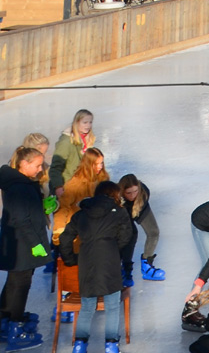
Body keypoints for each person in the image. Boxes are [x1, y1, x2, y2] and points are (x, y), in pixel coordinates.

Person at [58, 180, 133, 353]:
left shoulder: (81, 214)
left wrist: (70, 259)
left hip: (87, 260)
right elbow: (126, 236)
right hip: (109, 260)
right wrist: (115, 250)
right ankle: (111, 345)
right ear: (114, 195)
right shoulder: (119, 213)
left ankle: (79, 345)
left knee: (87, 306)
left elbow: (65, 238)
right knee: (113, 306)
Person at [0, 147, 50, 350]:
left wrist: (44, 206)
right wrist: (36, 244)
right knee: (21, 287)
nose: (40, 169)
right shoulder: (19, 187)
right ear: (24, 164)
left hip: (18, 246)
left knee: (13, 284)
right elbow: (21, 219)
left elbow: (26, 212)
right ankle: (15, 328)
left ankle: (4, 321)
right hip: (23, 247)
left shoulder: (20, 183)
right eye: (37, 165)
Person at [117, 175, 164, 281]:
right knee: (130, 234)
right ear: (122, 192)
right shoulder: (116, 197)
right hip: (123, 211)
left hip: (139, 206)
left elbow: (142, 213)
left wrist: (136, 208)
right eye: (128, 193)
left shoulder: (143, 193)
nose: (133, 195)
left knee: (153, 232)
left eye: (135, 191)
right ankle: (125, 267)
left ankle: (147, 264)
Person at [50, 109, 97, 196]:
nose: (88, 125)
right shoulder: (66, 142)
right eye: (85, 122)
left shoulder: (88, 140)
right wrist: (58, 187)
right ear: (77, 122)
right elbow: (55, 167)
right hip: (67, 186)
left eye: (90, 122)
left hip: (82, 186)